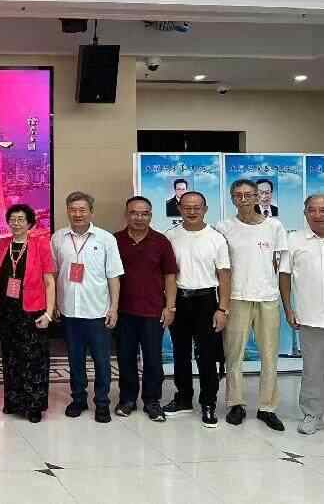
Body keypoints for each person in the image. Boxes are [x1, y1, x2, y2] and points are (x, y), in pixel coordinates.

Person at [215, 178, 288, 431]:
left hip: (267, 298)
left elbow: (280, 265)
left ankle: (267, 407)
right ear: (232, 199)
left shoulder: (274, 226)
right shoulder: (223, 227)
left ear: (257, 197)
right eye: (238, 195)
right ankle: (236, 404)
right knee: (234, 355)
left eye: (248, 195)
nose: (243, 199)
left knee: (269, 356)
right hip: (236, 298)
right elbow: (220, 266)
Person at [52, 191, 124, 423]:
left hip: (97, 312)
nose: (78, 214)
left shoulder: (105, 239)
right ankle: (78, 399)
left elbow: (114, 276)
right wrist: (53, 304)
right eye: (73, 210)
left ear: (91, 212)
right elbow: (53, 274)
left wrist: (114, 308)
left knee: (102, 361)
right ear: (67, 211)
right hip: (69, 311)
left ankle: (102, 402)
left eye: (82, 210)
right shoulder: (58, 238)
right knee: (75, 360)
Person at [162, 191, 231, 428]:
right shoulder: (170, 236)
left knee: (207, 355)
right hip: (179, 300)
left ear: (205, 209)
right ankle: (183, 398)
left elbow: (224, 275)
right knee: (180, 352)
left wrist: (223, 309)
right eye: (187, 207)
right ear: (179, 209)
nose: (192, 211)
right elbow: (167, 274)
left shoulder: (216, 238)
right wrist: (169, 305)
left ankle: (208, 402)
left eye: (197, 207)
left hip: (207, 301)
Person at [113, 196, 177, 422]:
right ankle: (127, 399)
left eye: (144, 213)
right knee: (125, 357)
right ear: (126, 214)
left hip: (153, 311)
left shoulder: (161, 241)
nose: (139, 218)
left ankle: (152, 400)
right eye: (134, 213)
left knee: (152, 359)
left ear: (150, 215)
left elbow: (170, 276)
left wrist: (170, 307)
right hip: (123, 311)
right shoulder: (115, 240)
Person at [0, 203, 55, 422]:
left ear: (30, 223)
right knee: (11, 357)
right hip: (8, 311)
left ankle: (34, 405)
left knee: (34, 358)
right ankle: (13, 401)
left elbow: (49, 281)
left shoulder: (40, 245)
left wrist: (49, 313)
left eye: (21, 219)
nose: (16, 223)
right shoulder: (3, 245)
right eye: (12, 219)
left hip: (33, 310)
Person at [280, 194, 324, 434]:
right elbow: (284, 275)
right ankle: (312, 414)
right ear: (305, 213)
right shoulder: (294, 239)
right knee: (313, 370)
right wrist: (288, 308)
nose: (318, 215)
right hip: (310, 316)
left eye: (322, 210)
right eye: (312, 210)